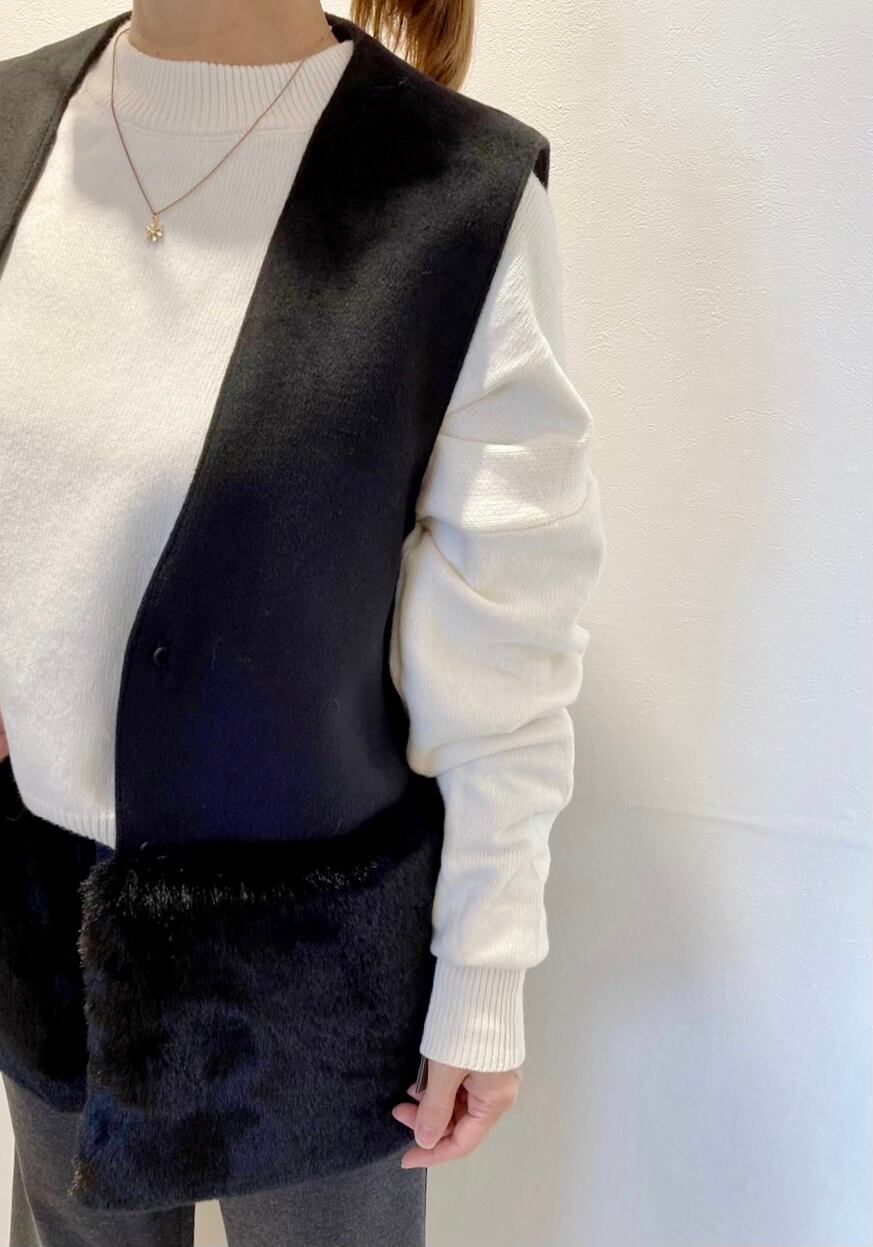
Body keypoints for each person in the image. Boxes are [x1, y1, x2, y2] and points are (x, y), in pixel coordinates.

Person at [0, 0, 606, 1243]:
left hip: (315, 980)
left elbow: (508, 636)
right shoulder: (12, 122)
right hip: (42, 929)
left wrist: (484, 974)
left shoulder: (455, 198)